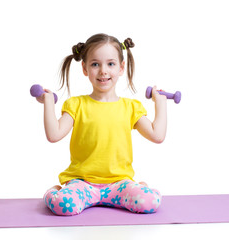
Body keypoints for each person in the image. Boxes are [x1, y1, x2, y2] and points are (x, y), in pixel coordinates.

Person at [36, 33, 167, 216]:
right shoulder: (76, 105)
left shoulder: (130, 107)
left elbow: (157, 135)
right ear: (85, 68)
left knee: (149, 203)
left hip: (118, 185)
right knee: (63, 206)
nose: (103, 71)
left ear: (121, 68)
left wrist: (160, 103)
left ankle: (138, 187)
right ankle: (54, 190)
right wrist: (48, 102)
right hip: (83, 184)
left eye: (110, 64)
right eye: (95, 64)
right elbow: (54, 134)